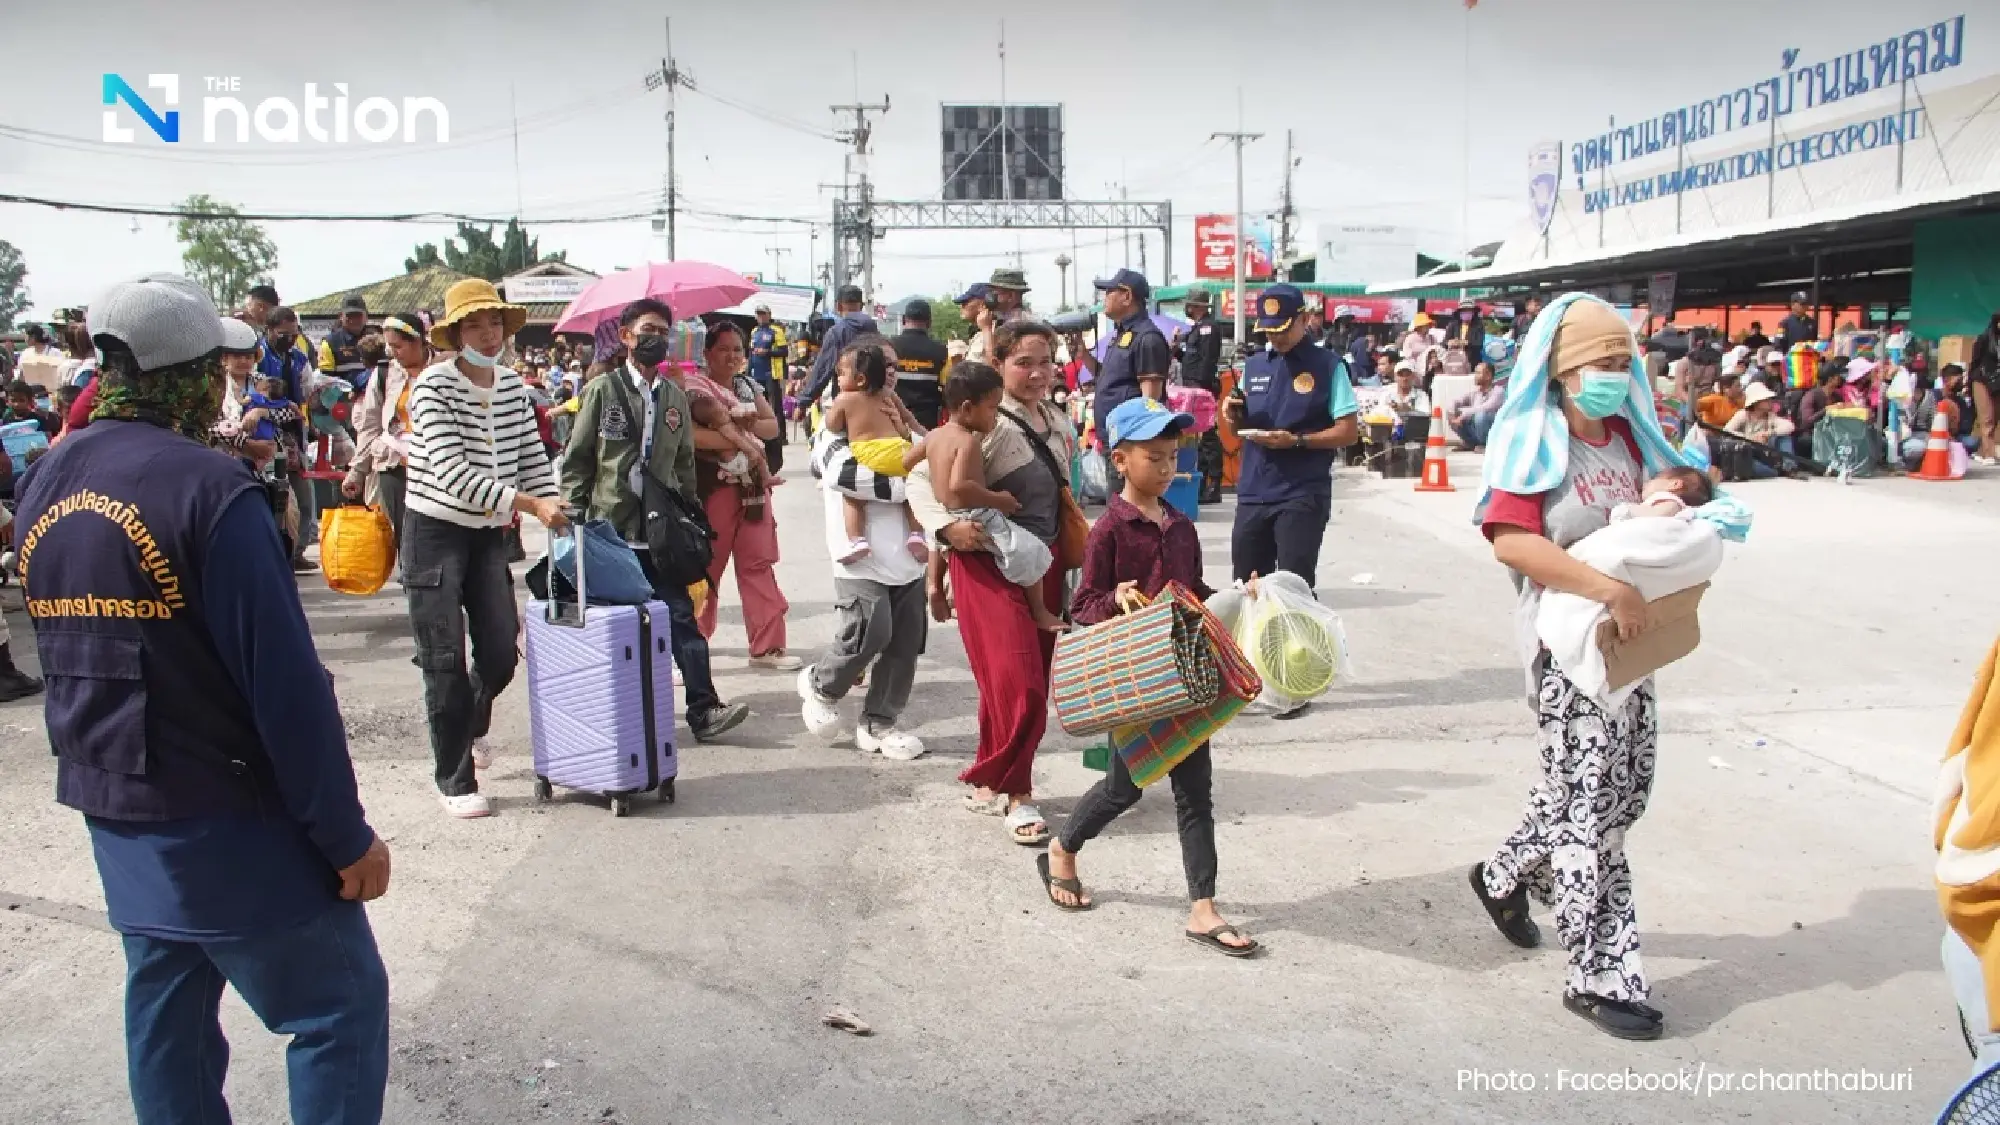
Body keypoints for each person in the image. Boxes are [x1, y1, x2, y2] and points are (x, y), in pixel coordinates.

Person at [14, 272, 391, 1119]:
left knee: (169, 1003)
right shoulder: (209, 490)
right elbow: (286, 687)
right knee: (338, 1006)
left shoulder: (46, 477)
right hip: (223, 811)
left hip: (114, 803)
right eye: (215, 364)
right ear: (185, 371)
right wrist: (343, 835)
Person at [1472, 292, 1692, 1041]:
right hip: (1566, 652)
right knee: (1591, 813)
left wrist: (1670, 496)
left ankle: (1504, 873)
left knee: (1621, 794)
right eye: (1602, 360)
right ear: (1564, 369)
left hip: (1630, 645)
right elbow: (1510, 541)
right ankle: (1601, 973)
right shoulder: (1536, 441)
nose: (1615, 372)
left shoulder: (1631, 437)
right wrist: (1609, 588)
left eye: (1623, 360)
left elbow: (1684, 490)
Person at [1037, 395, 1257, 956]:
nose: (1166, 468)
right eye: (1154, 457)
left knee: (1195, 793)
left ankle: (1203, 907)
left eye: (1172, 457)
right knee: (1123, 788)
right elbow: (1083, 604)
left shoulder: (1181, 526)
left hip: (1184, 680)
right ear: (1120, 461)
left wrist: (1240, 594)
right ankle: (1063, 847)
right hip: (1136, 680)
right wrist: (1115, 595)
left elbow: (1195, 594)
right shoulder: (1109, 528)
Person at [404, 279, 567, 819]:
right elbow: (452, 474)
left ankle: (467, 723)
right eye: (474, 325)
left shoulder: (515, 388)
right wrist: (530, 505)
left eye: (494, 323)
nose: (488, 334)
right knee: (443, 657)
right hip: (433, 531)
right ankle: (454, 778)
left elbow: (530, 458)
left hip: (488, 533)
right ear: (453, 334)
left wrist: (552, 501)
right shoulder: (431, 388)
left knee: (499, 653)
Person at [557, 299, 753, 742]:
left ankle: (703, 710)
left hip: (661, 532)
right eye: (647, 330)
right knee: (615, 626)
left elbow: (684, 465)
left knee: (680, 617)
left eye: (662, 332)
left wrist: (692, 517)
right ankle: (613, 717)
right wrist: (574, 515)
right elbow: (578, 461)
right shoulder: (602, 391)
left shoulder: (673, 398)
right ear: (625, 336)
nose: (655, 340)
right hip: (610, 529)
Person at [910, 320, 1074, 845]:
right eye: (1023, 362)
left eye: (1045, 360)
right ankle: (1018, 794)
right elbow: (920, 483)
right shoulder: (985, 423)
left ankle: (989, 773)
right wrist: (942, 545)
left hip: (1044, 568)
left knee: (1017, 681)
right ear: (998, 364)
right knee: (1018, 681)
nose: (1037, 372)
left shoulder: (1061, 424)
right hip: (987, 566)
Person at [1224, 283, 1359, 623]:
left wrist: (1297, 441)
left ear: (1303, 318)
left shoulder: (1328, 366)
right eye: (1269, 330)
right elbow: (1238, 426)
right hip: (1254, 490)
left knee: (1293, 589)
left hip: (1301, 492)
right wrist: (1232, 413)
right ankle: (1251, 669)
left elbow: (1348, 431)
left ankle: (1298, 670)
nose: (1276, 338)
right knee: (1246, 588)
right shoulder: (1253, 365)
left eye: (1282, 329)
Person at [918, 360, 1061, 632]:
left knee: (938, 541)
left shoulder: (935, 435)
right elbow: (960, 484)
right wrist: (999, 500)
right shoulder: (967, 441)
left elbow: (907, 461)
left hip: (946, 512)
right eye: (993, 409)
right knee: (1032, 552)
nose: (996, 417)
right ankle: (1040, 611)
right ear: (967, 409)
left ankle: (936, 585)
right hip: (974, 514)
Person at [687, 321, 798, 670]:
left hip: (751, 490)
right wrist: (738, 435)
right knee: (706, 567)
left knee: (758, 563)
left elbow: (772, 427)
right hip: (713, 488)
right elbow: (689, 437)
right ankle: (692, 646)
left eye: (738, 349)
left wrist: (745, 429)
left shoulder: (747, 386)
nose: (733, 355)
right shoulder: (690, 389)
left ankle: (768, 648)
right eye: (725, 349)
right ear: (706, 353)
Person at [823, 339, 928, 563]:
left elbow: (831, 425)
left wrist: (837, 413)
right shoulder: (887, 395)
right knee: (912, 491)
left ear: (859, 378)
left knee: (851, 494)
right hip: (900, 449)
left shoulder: (845, 399)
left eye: (840, 374)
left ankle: (857, 539)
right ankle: (917, 534)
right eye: (886, 365)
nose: (890, 372)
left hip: (872, 454)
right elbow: (912, 426)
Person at [340, 312, 428, 561]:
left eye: (398, 346)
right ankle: (413, 587)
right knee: (404, 534)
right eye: (389, 345)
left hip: (434, 466)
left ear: (418, 341)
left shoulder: (444, 369)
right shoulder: (384, 374)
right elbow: (369, 426)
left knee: (434, 534)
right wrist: (357, 472)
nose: (392, 352)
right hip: (394, 465)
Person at [257, 307, 321, 572]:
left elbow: (307, 393)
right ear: (270, 330)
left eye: (294, 334)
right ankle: (273, 550)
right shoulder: (257, 356)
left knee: (304, 496)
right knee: (275, 498)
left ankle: (297, 550)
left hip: (293, 434)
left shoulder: (299, 357)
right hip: (265, 433)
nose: (290, 339)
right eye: (284, 334)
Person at [1089, 269, 1171, 462]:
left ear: (1126, 296)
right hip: (1114, 439)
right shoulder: (1123, 334)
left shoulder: (1147, 338)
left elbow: (1150, 401)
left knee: (1123, 493)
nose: (1105, 298)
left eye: (1110, 292)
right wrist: (1083, 355)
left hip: (1129, 444)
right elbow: (1107, 377)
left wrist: (1137, 450)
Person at [1173, 287, 1226, 503]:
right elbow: (1190, 358)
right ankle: (1202, 484)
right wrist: (1176, 348)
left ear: (1197, 307)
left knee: (1209, 438)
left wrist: (1202, 390)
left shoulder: (1209, 329)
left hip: (1201, 390)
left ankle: (1214, 484)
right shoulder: (1195, 329)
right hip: (1192, 389)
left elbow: (1207, 360)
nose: (1186, 307)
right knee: (1198, 438)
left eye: (1189, 304)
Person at [799, 285, 877, 414]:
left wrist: (804, 402)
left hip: (845, 399)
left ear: (838, 306)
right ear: (862, 306)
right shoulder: (874, 330)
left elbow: (823, 369)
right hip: (874, 398)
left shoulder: (837, 332)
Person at [890, 297, 949, 430]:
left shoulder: (888, 347)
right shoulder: (942, 351)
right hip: (927, 422)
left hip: (893, 419)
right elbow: (947, 389)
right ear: (929, 323)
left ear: (904, 319)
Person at [1722, 382, 1795, 477]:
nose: (1770, 402)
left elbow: (1790, 426)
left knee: (1784, 438)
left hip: (1766, 454)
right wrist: (1750, 438)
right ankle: (1776, 471)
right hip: (1750, 454)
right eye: (1766, 400)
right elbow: (1726, 431)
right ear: (1756, 402)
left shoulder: (1770, 417)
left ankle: (1789, 468)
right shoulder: (1743, 415)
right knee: (1769, 472)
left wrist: (1768, 433)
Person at [317, 294, 371, 389]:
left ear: (366, 316)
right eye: (349, 316)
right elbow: (325, 383)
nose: (354, 320)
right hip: (343, 401)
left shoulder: (378, 340)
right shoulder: (329, 343)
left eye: (358, 315)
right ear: (341, 316)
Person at [1450, 362, 1504, 450]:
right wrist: (1452, 412)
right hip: (1477, 429)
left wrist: (1464, 415)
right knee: (1454, 413)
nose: (1475, 376)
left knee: (1481, 415)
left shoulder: (1498, 391)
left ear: (1488, 376)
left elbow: (1484, 407)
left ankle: (1486, 445)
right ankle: (1470, 443)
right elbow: (1456, 401)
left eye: (1478, 373)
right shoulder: (1476, 393)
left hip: (1493, 431)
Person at [1969, 312, 2000, 466]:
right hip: (1982, 380)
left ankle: (1982, 451)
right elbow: (1974, 363)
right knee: (1986, 417)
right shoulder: (1985, 339)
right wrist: (1970, 385)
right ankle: (1989, 454)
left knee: (1995, 417)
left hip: (1998, 383)